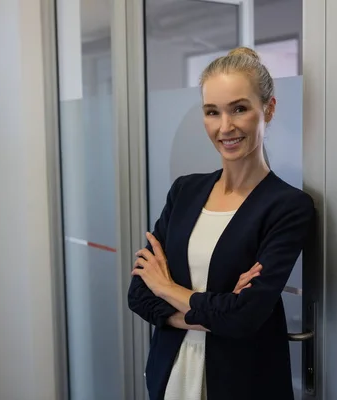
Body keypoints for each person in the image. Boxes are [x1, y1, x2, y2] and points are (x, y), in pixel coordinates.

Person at [127, 47, 315, 400]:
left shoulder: (288, 207)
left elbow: (245, 318)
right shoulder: (185, 190)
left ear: (268, 109)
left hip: (242, 382)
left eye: (239, 109)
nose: (225, 127)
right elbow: (138, 294)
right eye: (212, 112)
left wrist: (167, 288)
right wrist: (216, 310)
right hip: (171, 376)